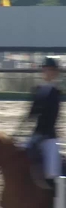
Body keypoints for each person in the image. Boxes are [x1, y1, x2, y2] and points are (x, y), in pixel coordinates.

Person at [25, 56, 62, 189]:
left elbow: (53, 117)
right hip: (36, 135)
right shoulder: (38, 90)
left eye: (51, 70)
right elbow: (31, 115)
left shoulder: (55, 92)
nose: (48, 72)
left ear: (55, 72)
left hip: (49, 137)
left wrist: (43, 135)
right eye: (46, 69)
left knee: (53, 172)